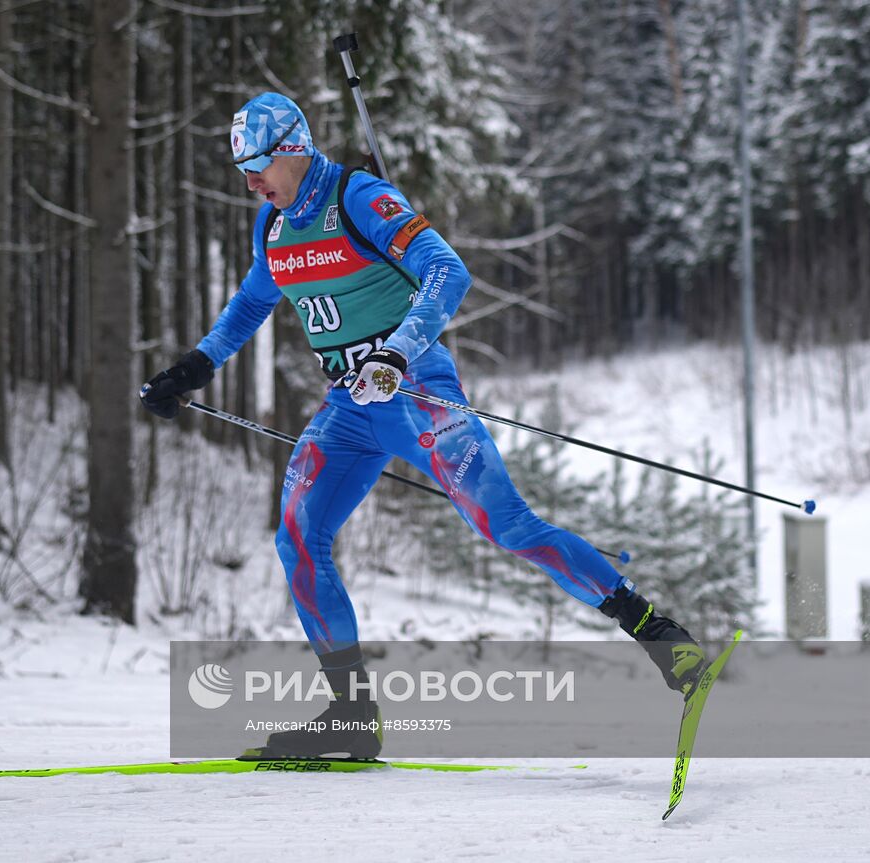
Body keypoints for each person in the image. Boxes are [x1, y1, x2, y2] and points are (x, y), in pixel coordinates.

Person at [139, 92, 708, 760]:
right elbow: (250, 304)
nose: (250, 180)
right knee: (297, 536)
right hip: (349, 407)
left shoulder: (357, 196)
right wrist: (192, 368)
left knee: (508, 527)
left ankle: (662, 635)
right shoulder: (274, 226)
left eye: (259, 164)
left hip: (414, 390)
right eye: (242, 168)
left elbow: (447, 270)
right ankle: (351, 716)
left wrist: (397, 351)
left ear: (292, 148)